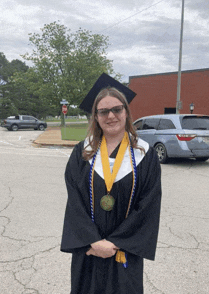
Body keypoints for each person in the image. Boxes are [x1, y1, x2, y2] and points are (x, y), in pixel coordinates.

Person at [61, 73, 162, 294]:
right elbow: (75, 203)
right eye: (103, 111)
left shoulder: (145, 155)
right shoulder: (83, 152)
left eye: (116, 109)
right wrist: (94, 242)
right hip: (88, 250)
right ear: (95, 117)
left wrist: (114, 243)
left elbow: (148, 207)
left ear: (126, 112)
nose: (111, 116)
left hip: (124, 251)